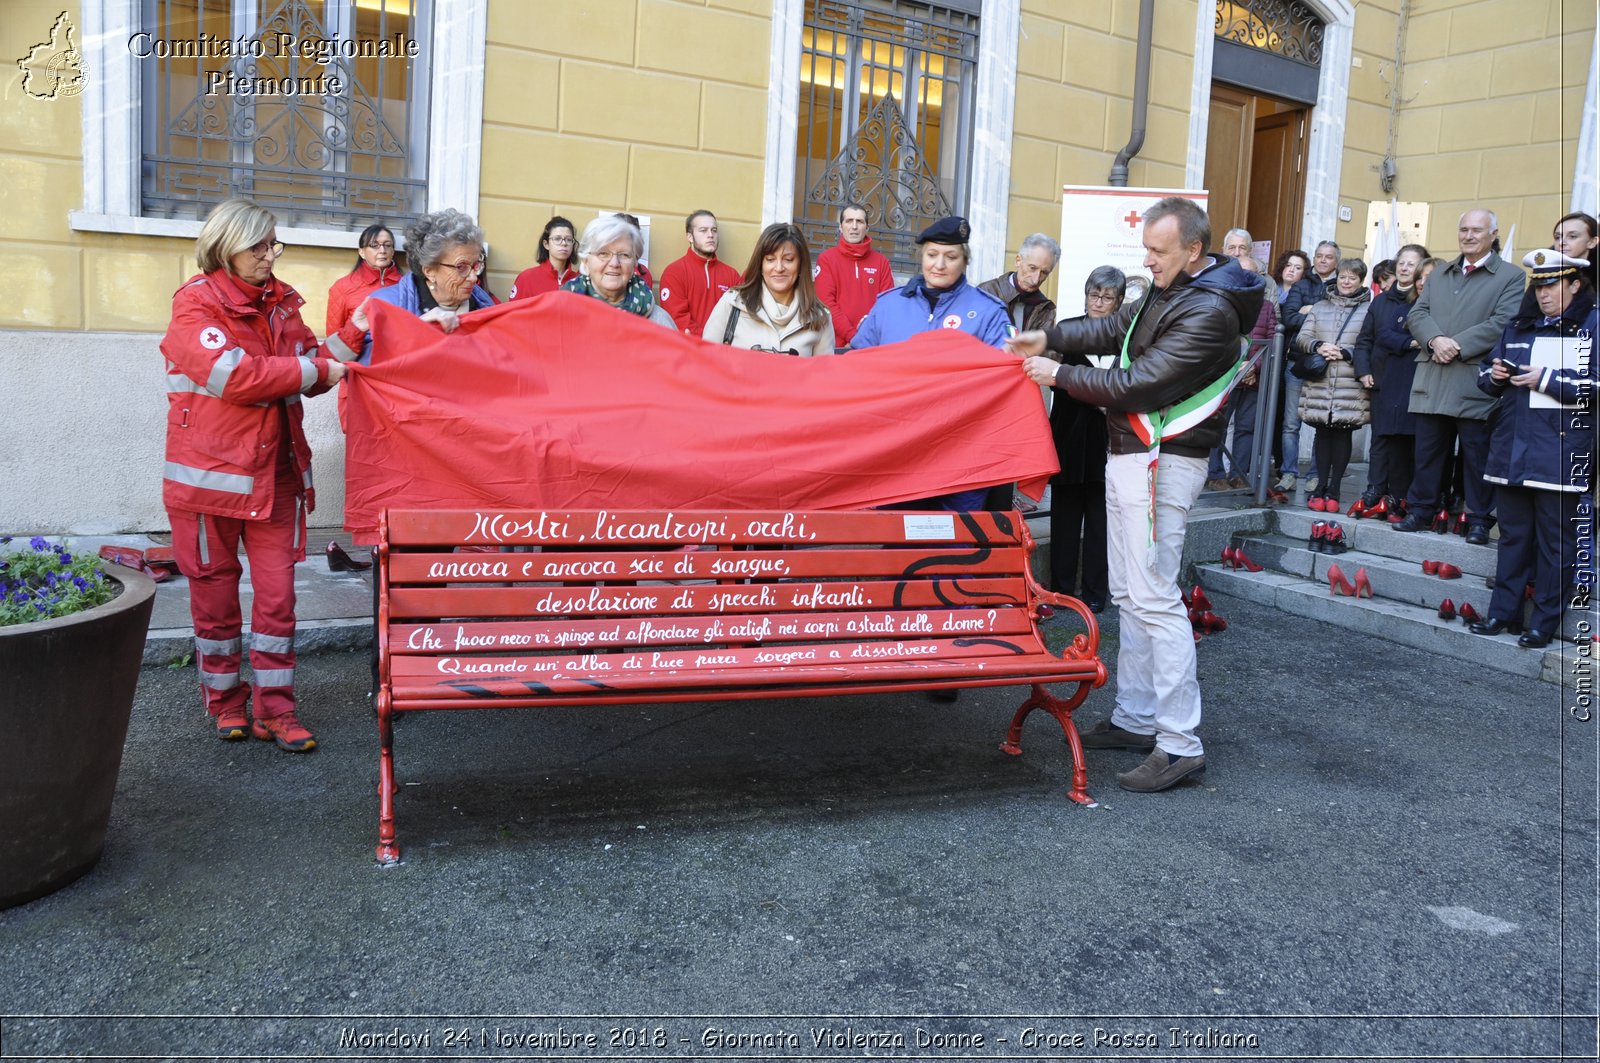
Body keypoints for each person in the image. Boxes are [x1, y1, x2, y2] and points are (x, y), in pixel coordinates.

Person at [1012, 196, 1265, 793]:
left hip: (1165, 461)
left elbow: (1139, 382)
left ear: (1193, 249)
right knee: (1129, 592)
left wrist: (1059, 374)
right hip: (1133, 454)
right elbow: (1113, 327)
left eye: (1157, 250)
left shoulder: (1211, 309)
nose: (1146, 260)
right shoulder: (1173, 287)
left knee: (1154, 597)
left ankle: (1179, 743)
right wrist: (1047, 338)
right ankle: (1137, 716)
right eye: (1146, 249)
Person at [160, 198, 348, 751]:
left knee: (277, 603)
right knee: (215, 606)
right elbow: (236, 377)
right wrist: (315, 367)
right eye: (258, 246)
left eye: (274, 244)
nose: (270, 256)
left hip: (275, 479)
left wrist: (359, 330)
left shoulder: (283, 304)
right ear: (225, 247)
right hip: (206, 487)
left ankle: (276, 710)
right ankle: (225, 704)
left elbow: (313, 366)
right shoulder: (194, 307)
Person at [1471, 249, 1595, 648]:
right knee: (1512, 538)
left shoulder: (1591, 326)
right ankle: (1501, 614)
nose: (1544, 294)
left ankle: (1543, 623)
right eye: (1539, 286)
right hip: (1512, 449)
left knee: (1555, 544)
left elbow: (1595, 389)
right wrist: (1495, 375)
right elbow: (1486, 376)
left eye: (1553, 285)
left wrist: (1546, 380)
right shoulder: (1518, 326)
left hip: (1561, 452)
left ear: (1575, 285)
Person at [850, 215, 1011, 510]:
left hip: (964, 454)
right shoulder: (888, 305)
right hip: (897, 453)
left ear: (964, 261)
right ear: (921, 257)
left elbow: (1003, 381)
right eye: (932, 254)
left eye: (950, 256)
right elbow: (857, 369)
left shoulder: (988, 312)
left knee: (957, 546)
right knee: (896, 541)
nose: (939, 265)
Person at [1394, 207, 1526, 543]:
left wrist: (1456, 345)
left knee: (1477, 456)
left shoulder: (1510, 276)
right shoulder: (1439, 274)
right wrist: (1435, 340)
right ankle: (1420, 511)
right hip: (1433, 377)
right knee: (1427, 453)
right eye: (1463, 229)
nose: (1468, 236)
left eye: (1477, 230)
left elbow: (1504, 321)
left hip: (1473, 379)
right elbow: (1417, 313)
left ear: (1493, 235)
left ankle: (1479, 519)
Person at [1047, 266, 1123, 613]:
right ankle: (1061, 589)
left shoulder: (1125, 336)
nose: (1099, 302)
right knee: (1064, 517)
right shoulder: (1068, 330)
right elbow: (1051, 376)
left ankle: (1095, 592)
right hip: (1068, 433)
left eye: (1107, 297)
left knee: (1100, 521)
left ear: (1118, 302)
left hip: (1108, 441)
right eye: (1094, 294)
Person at [1349, 243, 1429, 520]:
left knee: (1405, 442)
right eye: (1402, 262)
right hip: (1381, 378)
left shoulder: (1424, 300)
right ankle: (1374, 489)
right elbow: (1366, 339)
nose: (1405, 267)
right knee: (1380, 439)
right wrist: (1363, 370)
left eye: (1411, 263)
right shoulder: (1381, 300)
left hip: (1413, 380)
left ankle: (1400, 495)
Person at [356, 209, 497, 361]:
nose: (473, 277)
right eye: (461, 267)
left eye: (476, 265)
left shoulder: (486, 306)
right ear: (430, 271)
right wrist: (413, 335)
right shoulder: (385, 305)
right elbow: (364, 368)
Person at [1295, 257, 1373, 511]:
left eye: (1352, 277)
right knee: (1322, 431)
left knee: (1342, 433)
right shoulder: (1319, 307)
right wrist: (1320, 346)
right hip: (1321, 378)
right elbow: (1303, 337)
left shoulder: (1368, 310)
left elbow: (1371, 342)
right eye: (1342, 276)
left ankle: (1335, 488)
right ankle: (1319, 487)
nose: (1346, 281)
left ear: (1361, 281)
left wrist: (1346, 352)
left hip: (1350, 381)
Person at [701, 222, 834, 356]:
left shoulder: (820, 317)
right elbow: (707, 361)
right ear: (760, 264)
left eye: (788, 259)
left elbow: (824, 374)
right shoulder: (732, 303)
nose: (779, 268)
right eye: (770, 259)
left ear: (800, 264)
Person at [1218, 254, 1278, 490]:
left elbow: (1273, 342)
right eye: (1242, 273)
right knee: (1218, 426)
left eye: (1252, 273)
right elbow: (1217, 339)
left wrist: (1254, 367)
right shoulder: (1223, 300)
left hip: (1253, 379)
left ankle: (1238, 474)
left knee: (1246, 428)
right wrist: (1237, 366)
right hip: (1226, 377)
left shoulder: (1267, 307)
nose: (1247, 277)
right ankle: (1215, 475)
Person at [564, 214, 676, 329]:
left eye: (624, 255)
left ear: (634, 263)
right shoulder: (560, 310)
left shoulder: (659, 321)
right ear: (586, 261)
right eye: (603, 253)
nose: (614, 263)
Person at [1272, 249, 1324, 495]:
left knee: (1318, 422)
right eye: (1320, 256)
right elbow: (1289, 318)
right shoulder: (1301, 286)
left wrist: (1310, 311)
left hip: (1322, 363)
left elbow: (1331, 322)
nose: (1324, 260)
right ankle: (1289, 473)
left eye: (1329, 256)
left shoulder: (1338, 286)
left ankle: (1315, 475)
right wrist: (1316, 314)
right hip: (1295, 361)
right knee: (1290, 423)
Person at [814, 204, 896, 348]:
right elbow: (826, 304)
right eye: (849, 221)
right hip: (835, 345)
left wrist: (864, 338)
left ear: (867, 228)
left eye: (859, 221)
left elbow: (886, 306)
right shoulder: (826, 259)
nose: (854, 226)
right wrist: (853, 337)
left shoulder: (881, 262)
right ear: (840, 227)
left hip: (870, 345)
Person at [659, 209, 740, 337]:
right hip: (688, 350)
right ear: (690, 237)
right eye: (703, 230)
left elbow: (738, 318)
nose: (710, 235)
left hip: (723, 351)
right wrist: (710, 341)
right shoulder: (674, 273)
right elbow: (677, 318)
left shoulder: (732, 275)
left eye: (714, 230)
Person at [325, 223, 399, 341]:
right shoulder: (343, 286)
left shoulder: (406, 284)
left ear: (393, 252)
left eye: (387, 245)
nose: (382, 250)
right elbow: (334, 337)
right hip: (358, 356)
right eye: (374, 245)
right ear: (362, 252)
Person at [978, 233, 1062, 333]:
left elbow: (1045, 348)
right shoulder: (986, 293)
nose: (1035, 280)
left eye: (1044, 273)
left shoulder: (1045, 310)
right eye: (1032, 268)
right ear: (1018, 261)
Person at [508, 216, 578, 300]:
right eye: (557, 239)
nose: (564, 243)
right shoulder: (526, 278)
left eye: (569, 239)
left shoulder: (580, 281)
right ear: (546, 244)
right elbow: (515, 311)